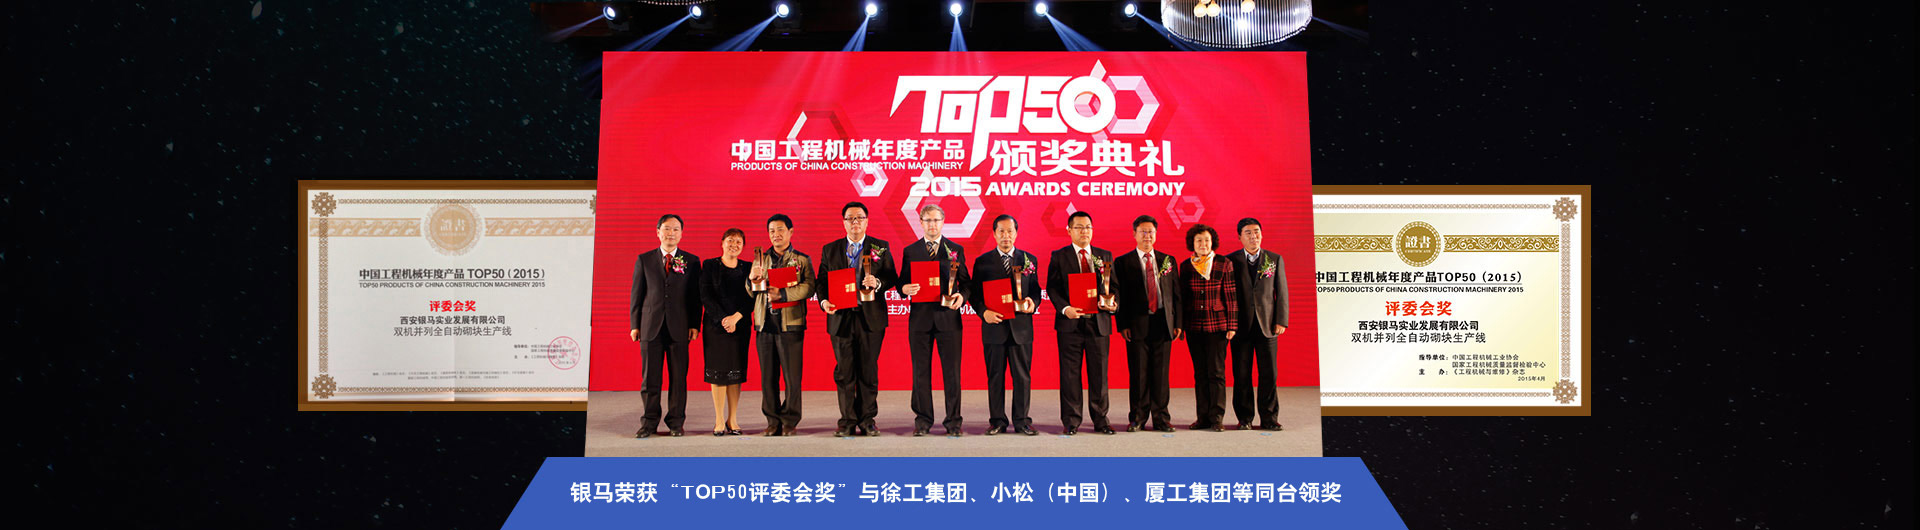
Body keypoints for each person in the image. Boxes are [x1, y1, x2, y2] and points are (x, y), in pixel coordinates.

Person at [817, 202, 897, 437]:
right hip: (840, 317)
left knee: (868, 371)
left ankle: (867, 420)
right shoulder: (830, 249)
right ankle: (847, 421)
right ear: (843, 222)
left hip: (870, 318)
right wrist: (824, 301)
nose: (855, 222)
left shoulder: (880, 247)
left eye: (859, 218)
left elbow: (892, 277)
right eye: (850, 218)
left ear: (867, 221)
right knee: (844, 372)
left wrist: (878, 283)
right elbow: (822, 281)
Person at [898, 204, 971, 436]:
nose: (932, 224)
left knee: (952, 373)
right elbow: (901, 283)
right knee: (920, 372)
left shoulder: (955, 249)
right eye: (928, 220)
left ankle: (954, 422)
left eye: (936, 220)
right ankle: (922, 421)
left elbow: (966, 283)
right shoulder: (911, 251)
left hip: (948, 319)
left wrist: (962, 297)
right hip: (920, 321)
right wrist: (904, 289)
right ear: (920, 222)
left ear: (943, 221)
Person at [967, 214, 1042, 436]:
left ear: (1016, 233)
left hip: (1021, 328)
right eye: (1001, 231)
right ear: (994, 234)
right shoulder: (983, 262)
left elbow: (1036, 289)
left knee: (1022, 377)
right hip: (994, 327)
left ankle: (1022, 421)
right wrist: (984, 313)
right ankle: (997, 421)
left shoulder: (1028, 259)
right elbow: (974, 294)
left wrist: (1033, 302)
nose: (1006, 236)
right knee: (995, 377)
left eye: (1010, 231)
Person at [629, 214, 703, 438]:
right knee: (650, 379)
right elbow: (637, 294)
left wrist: (695, 324)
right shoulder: (644, 259)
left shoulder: (692, 261)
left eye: (676, 229)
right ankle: (649, 423)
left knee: (678, 379)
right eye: (667, 228)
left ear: (682, 233)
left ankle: (676, 423)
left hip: (680, 327)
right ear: (658, 232)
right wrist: (635, 325)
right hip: (650, 326)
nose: (671, 233)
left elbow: (695, 297)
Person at [1046, 211, 1117, 435]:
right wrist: (1065, 308)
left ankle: (1101, 419)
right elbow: (1052, 288)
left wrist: (1113, 303)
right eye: (1078, 227)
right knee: (1070, 374)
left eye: (1087, 227)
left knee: (1099, 374)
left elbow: (1114, 287)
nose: (1084, 231)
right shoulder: (1059, 256)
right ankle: (1071, 420)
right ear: (1069, 231)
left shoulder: (1104, 255)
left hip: (1098, 323)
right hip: (1071, 324)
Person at [1113, 215, 1182, 433]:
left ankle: (1161, 418)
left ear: (1156, 234)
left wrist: (1178, 322)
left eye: (1151, 231)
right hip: (1136, 325)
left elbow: (1176, 294)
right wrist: (1122, 324)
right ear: (1134, 234)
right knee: (1139, 374)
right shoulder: (1123, 262)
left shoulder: (1167, 260)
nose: (1147, 236)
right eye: (1142, 231)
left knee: (1161, 375)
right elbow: (1119, 296)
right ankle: (1138, 417)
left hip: (1163, 322)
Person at [748, 214, 813, 437]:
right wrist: (751, 280)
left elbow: (809, 287)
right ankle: (772, 421)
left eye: (780, 230)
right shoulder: (760, 259)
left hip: (791, 324)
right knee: (768, 377)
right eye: (772, 231)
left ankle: (789, 421)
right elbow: (750, 291)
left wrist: (783, 294)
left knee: (792, 378)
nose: (776, 234)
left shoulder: (802, 259)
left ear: (791, 232)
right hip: (764, 324)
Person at [1225, 217, 1289, 431]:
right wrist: (1229, 323)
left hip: (1267, 326)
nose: (1254, 236)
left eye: (1257, 232)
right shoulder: (1230, 260)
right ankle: (1245, 418)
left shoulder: (1274, 259)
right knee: (1241, 374)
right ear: (1240, 237)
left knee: (1269, 374)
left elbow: (1281, 291)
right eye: (1248, 233)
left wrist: (1281, 320)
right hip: (1240, 327)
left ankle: (1269, 417)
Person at [1178, 223, 1237, 432]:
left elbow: (1231, 296)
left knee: (1217, 373)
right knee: (1200, 373)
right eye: (1199, 240)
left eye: (1206, 240)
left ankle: (1217, 417)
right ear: (1192, 243)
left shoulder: (1224, 263)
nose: (1203, 244)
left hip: (1218, 326)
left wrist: (1232, 324)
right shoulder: (1186, 266)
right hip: (1194, 326)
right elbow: (1182, 298)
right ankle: (1202, 417)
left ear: (1213, 243)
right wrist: (1180, 326)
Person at [699, 228, 752, 436]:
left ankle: (733, 419)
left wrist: (736, 318)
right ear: (722, 243)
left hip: (740, 327)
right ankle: (719, 420)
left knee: (735, 373)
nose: (734, 245)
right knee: (718, 373)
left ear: (743, 246)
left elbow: (752, 297)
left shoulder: (749, 267)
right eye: (730, 240)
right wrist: (723, 319)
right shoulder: (709, 265)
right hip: (715, 327)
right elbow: (705, 295)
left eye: (738, 242)